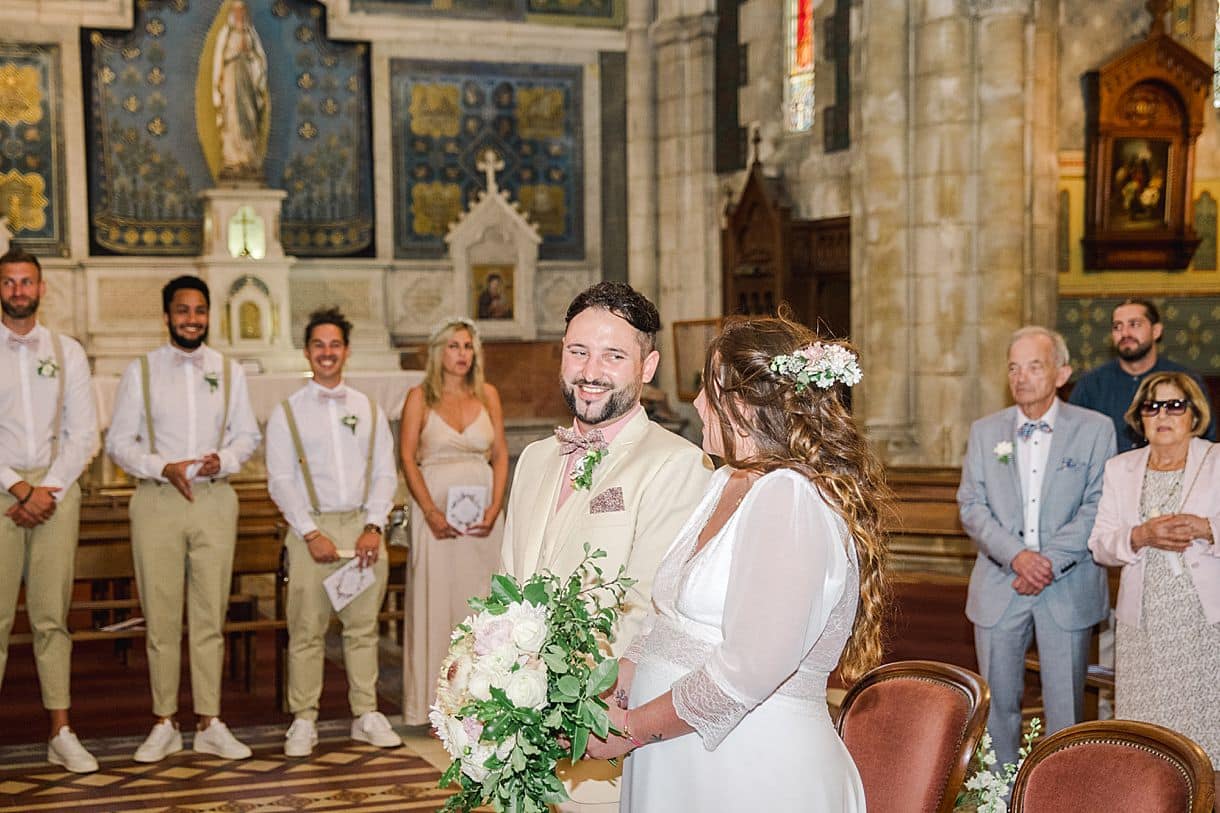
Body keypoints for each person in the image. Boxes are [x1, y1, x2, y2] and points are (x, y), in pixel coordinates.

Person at [585, 315, 887, 812]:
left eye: (708, 390)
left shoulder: (790, 497)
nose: (697, 403)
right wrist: (602, 693)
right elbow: (668, 624)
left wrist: (633, 730)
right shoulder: (725, 482)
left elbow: (749, 668)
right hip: (681, 761)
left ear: (744, 408)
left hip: (751, 768)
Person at [500, 281, 712, 811]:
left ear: (647, 367)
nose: (590, 371)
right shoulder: (531, 460)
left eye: (613, 355)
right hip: (522, 728)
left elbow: (650, 612)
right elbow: (507, 589)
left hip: (607, 736)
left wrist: (569, 704)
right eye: (578, 352)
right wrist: (500, 688)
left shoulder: (678, 464)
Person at [106, 275, 261, 763]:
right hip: (157, 501)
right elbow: (119, 442)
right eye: (182, 310)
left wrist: (225, 460)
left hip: (214, 500)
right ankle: (165, 721)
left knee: (210, 615)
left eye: (199, 310)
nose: (191, 319)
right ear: (167, 315)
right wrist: (161, 467)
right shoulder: (143, 372)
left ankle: (211, 721)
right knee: (162, 617)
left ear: (209, 315)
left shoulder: (229, 371)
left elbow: (247, 436)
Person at [957, 326, 1115, 768]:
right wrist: (1018, 556)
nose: (1021, 377)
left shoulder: (1094, 429)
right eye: (1013, 367)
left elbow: (1097, 504)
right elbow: (971, 504)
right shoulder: (987, 431)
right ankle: (1000, 793)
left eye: (1034, 366)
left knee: (1065, 708)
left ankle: (1061, 794)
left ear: (1062, 372)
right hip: (1000, 583)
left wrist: (1047, 562)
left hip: (1066, 584)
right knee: (997, 707)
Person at [265, 307, 403, 757]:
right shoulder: (288, 412)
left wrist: (373, 526)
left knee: (362, 629)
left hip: (362, 527)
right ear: (307, 352)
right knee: (306, 630)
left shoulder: (367, 408)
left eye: (335, 345)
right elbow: (281, 479)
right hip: (312, 528)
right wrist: (309, 532)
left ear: (346, 351)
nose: (327, 353)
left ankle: (365, 714)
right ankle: (304, 718)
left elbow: (385, 471)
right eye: (319, 345)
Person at [1087, 371, 1220, 767]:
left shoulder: (1216, 462)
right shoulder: (1120, 468)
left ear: (1194, 415)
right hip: (1142, 622)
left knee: (1203, 727)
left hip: (1203, 624)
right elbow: (1100, 544)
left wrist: (1207, 528)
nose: (1163, 414)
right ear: (1140, 417)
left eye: (1175, 405)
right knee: (1146, 732)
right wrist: (1139, 535)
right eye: (1152, 406)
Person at [0, 248, 100, 773]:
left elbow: (83, 432)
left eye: (27, 282)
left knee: (50, 618)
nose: (19, 291)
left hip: (56, 493)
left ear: (42, 289)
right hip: (1, 488)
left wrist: (48, 489)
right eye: (10, 282)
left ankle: (60, 731)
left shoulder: (68, 351)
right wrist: (18, 487)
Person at [401, 317, 507, 725]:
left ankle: (483, 701)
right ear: (438, 352)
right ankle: (436, 706)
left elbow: (499, 455)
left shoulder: (489, 395)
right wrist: (429, 510)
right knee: (437, 601)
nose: (462, 354)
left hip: (482, 521)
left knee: (479, 603)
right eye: (454, 346)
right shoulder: (419, 397)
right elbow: (408, 458)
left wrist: (496, 507)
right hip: (435, 522)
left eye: (468, 347)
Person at [1070, 298, 1214, 452]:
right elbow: (1073, 440)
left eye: (1135, 324)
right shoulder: (1091, 384)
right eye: (1117, 327)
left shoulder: (1184, 381)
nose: (1125, 333)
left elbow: (1205, 439)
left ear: (1156, 331)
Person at [211, 0, 268, 178]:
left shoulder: (251, 35)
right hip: (231, 83)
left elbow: (260, 62)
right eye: (237, 12)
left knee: (249, 119)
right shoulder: (226, 34)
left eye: (242, 12)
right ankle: (232, 160)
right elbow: (220, 61)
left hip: (247, 86)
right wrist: (236, 54)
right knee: (233, 119)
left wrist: (249, 56)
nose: (240, 16)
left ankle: (249, 159)